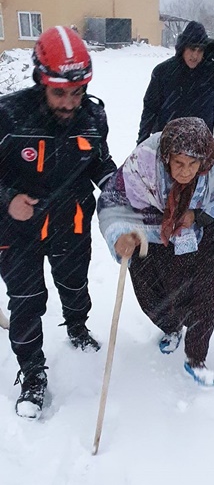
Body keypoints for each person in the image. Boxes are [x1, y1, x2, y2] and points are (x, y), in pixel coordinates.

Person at [0, 25, 117, 418]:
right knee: (27, 302)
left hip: (72, 221)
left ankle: (77, 326)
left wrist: (118, 187)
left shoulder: (92, 117)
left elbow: (100, 162)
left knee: (73, 281)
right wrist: (8, 198)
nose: (70, 103)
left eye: (78, 91)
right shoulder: (8, 117)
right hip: (18, 231)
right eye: (59, 93)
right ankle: (32, 373)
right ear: (40, 80)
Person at [98, 117, 214, 386]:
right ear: (166, 158)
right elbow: (113, 200)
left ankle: (196, 357)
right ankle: (170, 326)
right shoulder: (144, 162)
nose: (185, 172)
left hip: (204, 227)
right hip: (150, 227)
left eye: (193, 165)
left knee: (206, 289)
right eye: (178, 163)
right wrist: (118, 235)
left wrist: (197, 215)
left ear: (204, 161)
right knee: (153, 290)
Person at [136, 20, 214, 144]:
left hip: (201, 147)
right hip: (169, 147)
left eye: (200, 50)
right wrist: (142, 142)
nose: (195, 55)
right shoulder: (163, 72)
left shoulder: (210, 72)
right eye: (192, 49)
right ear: (183, 47)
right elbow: (150, 108)